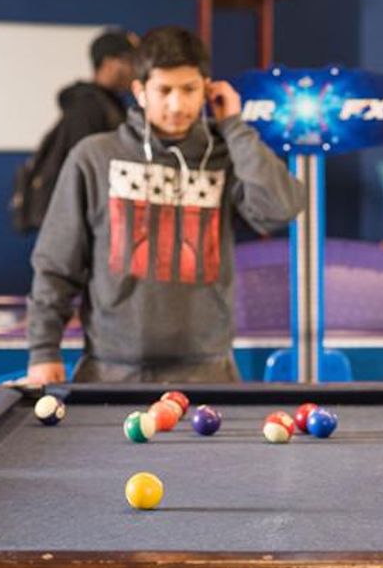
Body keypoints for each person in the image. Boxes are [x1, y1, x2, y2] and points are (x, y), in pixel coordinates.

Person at [25, 26, 305, 384]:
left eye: (189, 90)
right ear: (140, 91)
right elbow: (56, 264)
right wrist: (43, 351)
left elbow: (281, 209)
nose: (177, 104)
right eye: (164, 90)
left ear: (206, 88)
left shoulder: (226, 153)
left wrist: (234, 126)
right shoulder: (93, 157)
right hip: (110, 369)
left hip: (208, 371)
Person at [11, 30, 138, 232]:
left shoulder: (108, 103)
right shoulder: (89, 107)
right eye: (130, 60)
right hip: (82, 221)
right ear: (108, 62)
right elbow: (85, 169)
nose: (135, 69)